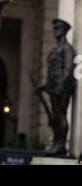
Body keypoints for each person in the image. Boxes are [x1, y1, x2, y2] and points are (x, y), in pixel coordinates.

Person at [38, 19, 76, 156]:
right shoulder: (55, 49)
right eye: (54, 28)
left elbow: (67, 69)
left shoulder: (67, 49)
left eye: (58, 27)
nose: (55, 30)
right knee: (55, 117)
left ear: (65, 30)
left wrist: (61, 85)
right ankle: (56, 142)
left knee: (60, 115)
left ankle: (61, 144)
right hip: (53, 88)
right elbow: (53, 71)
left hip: (62, 88)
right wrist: (44, 87)